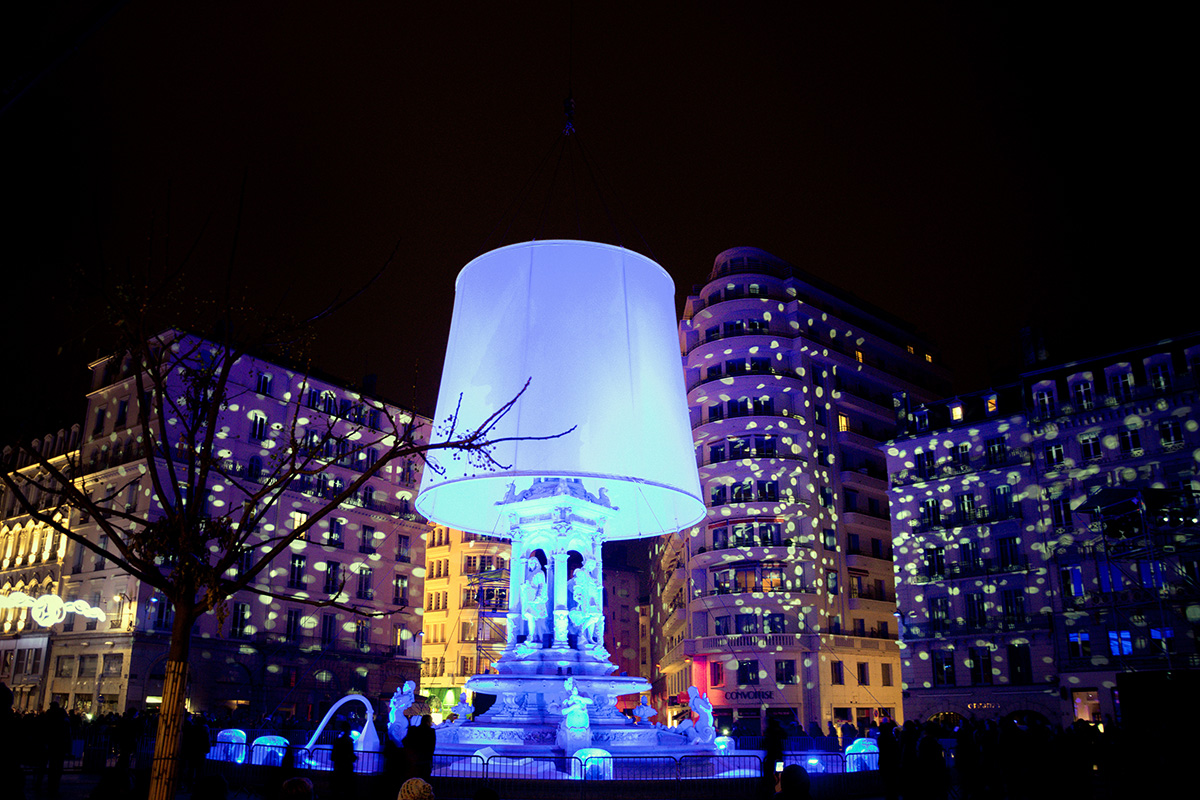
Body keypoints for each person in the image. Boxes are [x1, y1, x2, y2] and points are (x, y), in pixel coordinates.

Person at [405, 715, 436, 780]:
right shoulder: (430, 731)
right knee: (424, 778)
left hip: (414, 758)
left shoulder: (414, 730)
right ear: (428, 722)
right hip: (425, 759)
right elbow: (432, 745)